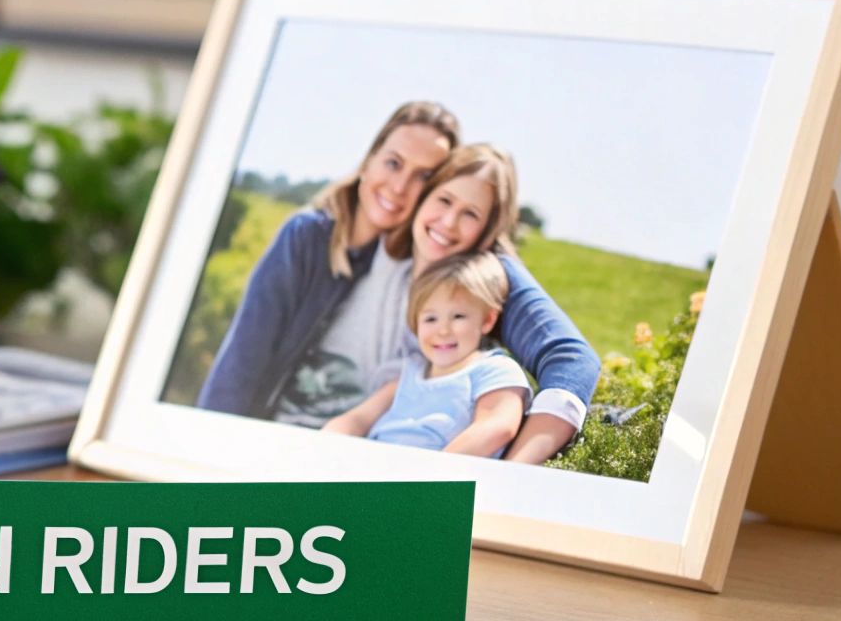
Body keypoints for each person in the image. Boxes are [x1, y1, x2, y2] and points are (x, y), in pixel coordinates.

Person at [199, 141, 598, 462]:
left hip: (413, 466)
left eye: (470, 214)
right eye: (443, 201)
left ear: (487, 229)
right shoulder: (375, 252)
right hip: (322, 443)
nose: (448, 223)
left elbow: (572, 361)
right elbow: (247, 354)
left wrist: (512, 472)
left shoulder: (483, 280)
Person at [196, 102, 460, 425]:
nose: (400, 187)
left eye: (423, 177)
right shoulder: (306, 238)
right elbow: (241, 362)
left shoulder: (419, 273)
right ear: (368, 161)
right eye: (393, 163)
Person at [321, 252, 531, 456]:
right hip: (376, 470)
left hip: (433, 481)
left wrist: (431, 475)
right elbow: (357, 419)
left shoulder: (493, 370)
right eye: (431, 319)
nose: (443, 331)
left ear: (487, 321)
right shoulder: (409, 373)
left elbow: (497, 426)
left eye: (458, 316)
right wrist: (325, 441)